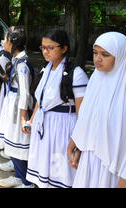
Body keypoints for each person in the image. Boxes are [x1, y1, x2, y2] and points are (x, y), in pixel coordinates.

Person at [68, 32, 126, 188]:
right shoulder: (96, 80)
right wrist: (76, 142)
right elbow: (87, 118)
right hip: (89, 160)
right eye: (95, 52)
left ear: (121, 56)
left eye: (105, 54)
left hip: (114, 166)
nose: (97, 59)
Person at [25, 29, 88, 188]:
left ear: (64, 48)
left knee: (60, 171)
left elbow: (83, 113)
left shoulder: (76, 74)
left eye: (50, 48)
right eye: (43, 47)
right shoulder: (46, 69)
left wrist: (79, 143)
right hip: (45, 125)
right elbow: (41, 100)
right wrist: (31, 121)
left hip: (63, 128)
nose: (45, 51)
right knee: (45, 167)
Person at [0, 26, 34, 188]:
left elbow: (25, 93)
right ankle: (18, 175)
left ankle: (26, 181)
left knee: (18, 141)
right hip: (12, 102)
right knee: (12, 140)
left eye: (5, 39)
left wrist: (23, 117)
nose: (3, 42)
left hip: (18, 107)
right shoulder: (17, 60)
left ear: (12, 42)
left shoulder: (22, 65)